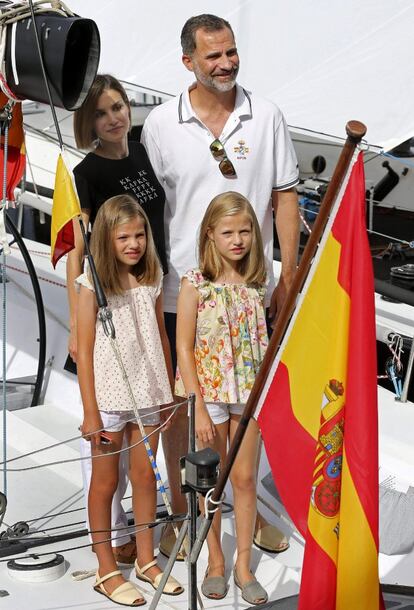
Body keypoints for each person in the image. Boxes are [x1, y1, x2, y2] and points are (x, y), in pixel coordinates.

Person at [141, 13, 299, 554]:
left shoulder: (267, 115)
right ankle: (184, 517)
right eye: (214, 55)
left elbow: (284, 197)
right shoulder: (161, 124)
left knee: (246, 409)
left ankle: (248, 515)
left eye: (231, 52)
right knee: (184, 415)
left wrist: (288, 274)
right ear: (188, 61)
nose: (227, 63)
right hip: (181, 293)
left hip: (252, 291)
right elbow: (147, 207)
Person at [67, 74, 169, 564]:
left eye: (119, 108)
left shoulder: (143, 154)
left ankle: (142, 548)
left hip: (149, 283)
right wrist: (75, 319)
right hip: (108, 295)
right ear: (90, 122)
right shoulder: (86, 172)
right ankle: (111, 549)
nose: (113, 118)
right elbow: (79, 246)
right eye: (103, 112)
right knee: (107, 465)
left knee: (143, 463)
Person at [77, 194, 183, 606]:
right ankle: (106, 568)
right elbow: (85, 350)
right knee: (105, 484)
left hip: (148, 390)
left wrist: (170, 391)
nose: (134, 244)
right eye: (124, 237)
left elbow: (159, 334)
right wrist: (89, 412)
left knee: (144, 477)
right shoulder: (92, 282)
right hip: (107, 396)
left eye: (139, 235)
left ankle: (144, 558)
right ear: (107, 238)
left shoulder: (152, 276)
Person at [176, 191, 269, 605]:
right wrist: (196, 404)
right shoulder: (195, 283)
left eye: (245, 230)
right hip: (209, 392)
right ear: (210, 234)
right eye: (228, 232)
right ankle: (215, 560)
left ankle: (243, 565)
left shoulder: (257, 284)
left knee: (245, 479)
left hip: (248, 392)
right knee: (208, 484)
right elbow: (183, 346)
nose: (238, 240)